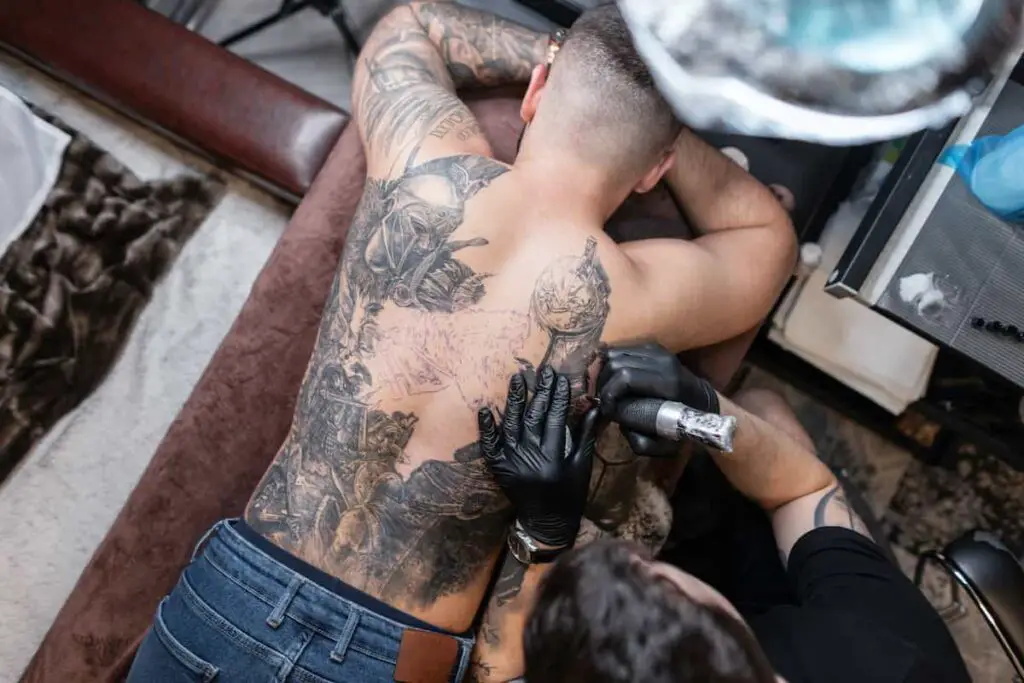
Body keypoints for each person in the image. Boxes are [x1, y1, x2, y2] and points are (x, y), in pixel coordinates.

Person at [126, 3, 794, 682]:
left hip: (236, 590)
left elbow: (408, 24)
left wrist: (566, 56)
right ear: (657, 170)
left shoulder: (423, 166)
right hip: (395, 658)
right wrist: (662, 114)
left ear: (535, 92)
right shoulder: (635, 294)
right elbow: (767, 238)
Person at [481, 343, 970, 683]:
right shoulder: (884, 659)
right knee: (763, 416)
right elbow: (804, 489)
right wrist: (707, 409)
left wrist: (541, 537)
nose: (633, 555)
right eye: (652, 576)